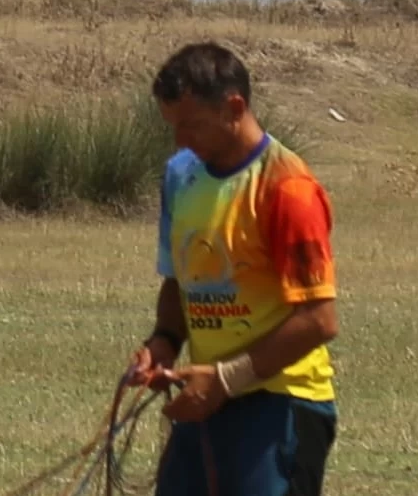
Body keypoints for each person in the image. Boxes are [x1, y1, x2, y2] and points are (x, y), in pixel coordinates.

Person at [123, 39, 337, 496]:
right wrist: (163, 342)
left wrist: (225, 380)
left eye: (192, 125)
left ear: (234, 107)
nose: (180, 139)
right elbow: (178, 281)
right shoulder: (181, 175)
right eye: (173, 127)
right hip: (208, 399)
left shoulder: (287, 187)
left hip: (281, 402)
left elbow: (319, 320)